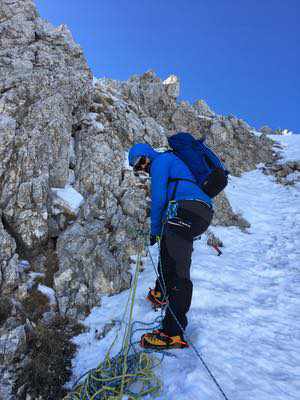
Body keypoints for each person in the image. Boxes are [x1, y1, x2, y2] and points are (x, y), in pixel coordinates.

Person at [128, 143, 213, 349]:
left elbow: (158, 200)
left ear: (147, 155)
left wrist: (154, 230)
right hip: (196, 211)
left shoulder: (161, 161)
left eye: (140, 162)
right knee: (170, 250)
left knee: (178, 267)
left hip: (186, 208)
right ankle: (162, 293)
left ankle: (172, 333)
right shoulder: (170, 163)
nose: (142, 169)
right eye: (137, 168)